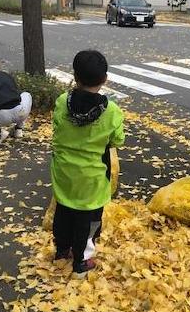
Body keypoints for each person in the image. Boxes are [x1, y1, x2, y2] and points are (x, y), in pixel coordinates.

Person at [51, 50, 125, 278]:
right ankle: (81, 262)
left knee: (63, 209)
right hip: (92, 176)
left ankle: (62, 250)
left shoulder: (63, 101)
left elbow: (57, 127)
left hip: (63, 171)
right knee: (89, 217)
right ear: (105, 80)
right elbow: (117, 140)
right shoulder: (111, 111)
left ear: (75, 77)